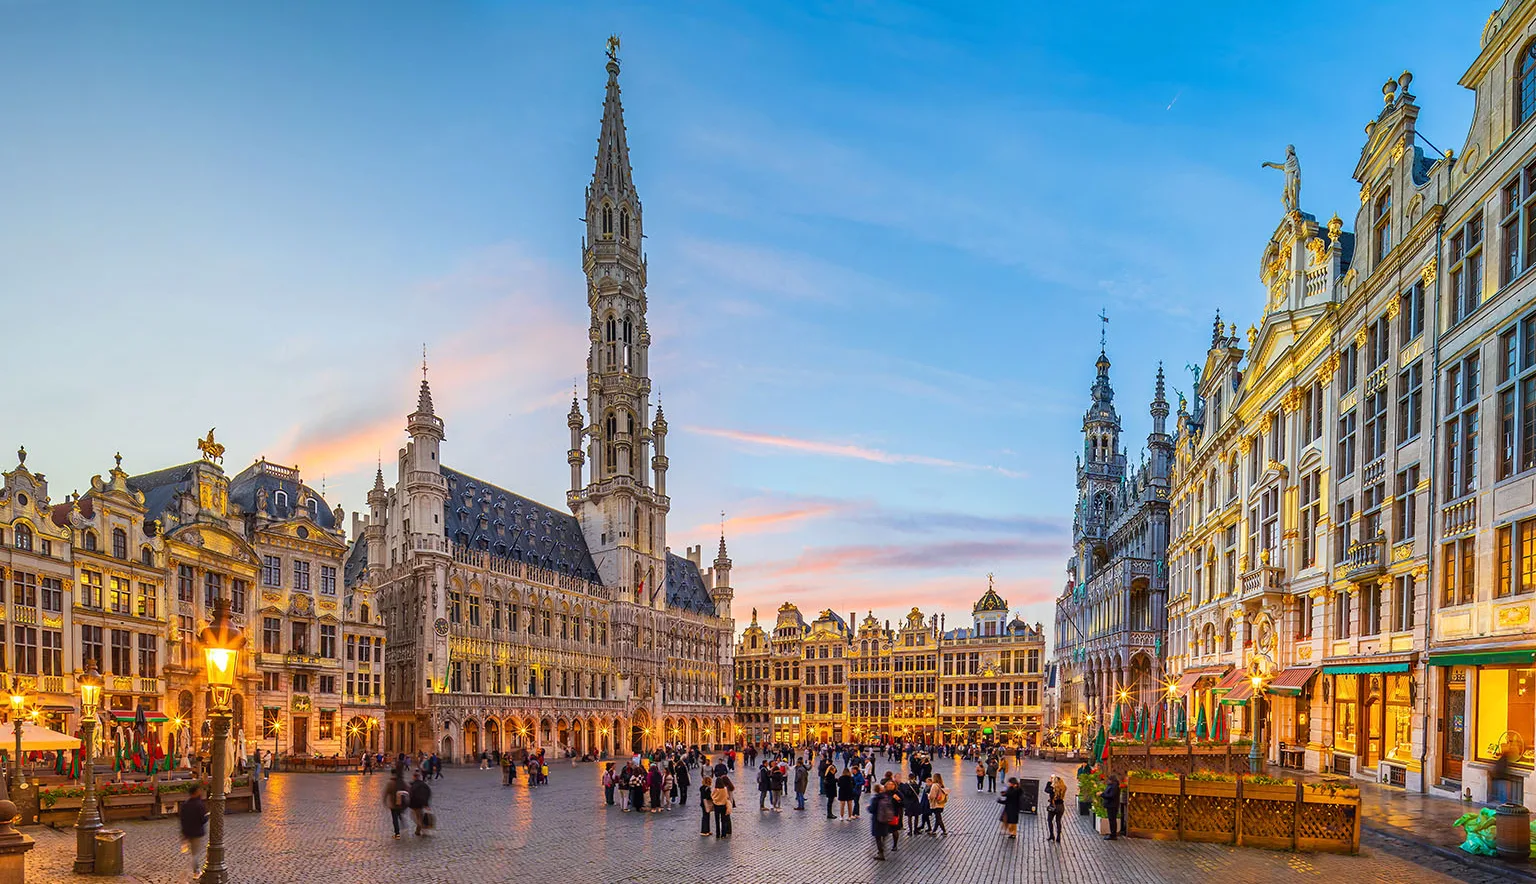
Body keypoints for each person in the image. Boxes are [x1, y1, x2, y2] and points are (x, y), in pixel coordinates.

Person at [179, 784, 209, 878]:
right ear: (196, 792)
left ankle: (194, 870)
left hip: (186, 831)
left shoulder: (185, 804)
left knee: (192, 852)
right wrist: (207, 816)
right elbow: (203, 819)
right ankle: (196, 872)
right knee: (195, 853)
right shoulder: (199, 805)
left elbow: (182, 818)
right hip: (196, 832)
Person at [869, 781, 897, 860]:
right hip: (885, 820)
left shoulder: (876, 799)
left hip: (877, 820)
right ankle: (882, 847)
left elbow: (872, 809)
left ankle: (881, 853)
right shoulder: (886, 797)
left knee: (878, 837)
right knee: (884, 834)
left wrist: (868, 807)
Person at [384, 770, 410, 839]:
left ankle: (397, 834)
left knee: (395, 818)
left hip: (393, 804)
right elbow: (407, 789)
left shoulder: (390, 783)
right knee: (399, 814)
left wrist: (385, 802)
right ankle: (404, 824)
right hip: (401, 803)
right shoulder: (401, 782)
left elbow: (386, 793)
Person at [408, 772, 433, 836]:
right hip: (420, 804)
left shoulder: (414, 786)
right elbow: (428, 793)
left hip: (415, 804)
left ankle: (422, 829)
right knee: (418, 817)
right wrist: (426, 803)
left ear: (414, 777)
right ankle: (418, 830)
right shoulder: (424, 785)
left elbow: (412, 795)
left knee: (418, 818)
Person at [711, 772, 734, 838]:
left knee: (717, 821)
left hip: (716, 806)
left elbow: (712, 796)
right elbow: (726, 796)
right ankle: (723, 834)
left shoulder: (715, 789)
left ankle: (717, 834)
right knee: (723, 820)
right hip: (723, 805)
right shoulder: (724, 789)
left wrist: (715, 800)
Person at [1045, 774, 1066, 842]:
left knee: (1049, 820)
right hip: (1061, 806)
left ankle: (1052, 835)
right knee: (1058, 821)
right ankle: (1058, 837)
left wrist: (1049, 782)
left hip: (1053, 806)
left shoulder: (1052, 789)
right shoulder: (1064, 788)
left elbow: (1045, 790)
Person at [1100, 773, 1121, 840]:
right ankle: (1112, 833)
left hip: (1112, 805)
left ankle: (1113, 834)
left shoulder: (1114, 787)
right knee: (1111, 819)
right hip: (1110, 805)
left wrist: (1102, 794)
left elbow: (1111, 796)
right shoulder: (1112, 786)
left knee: (1112, 820)